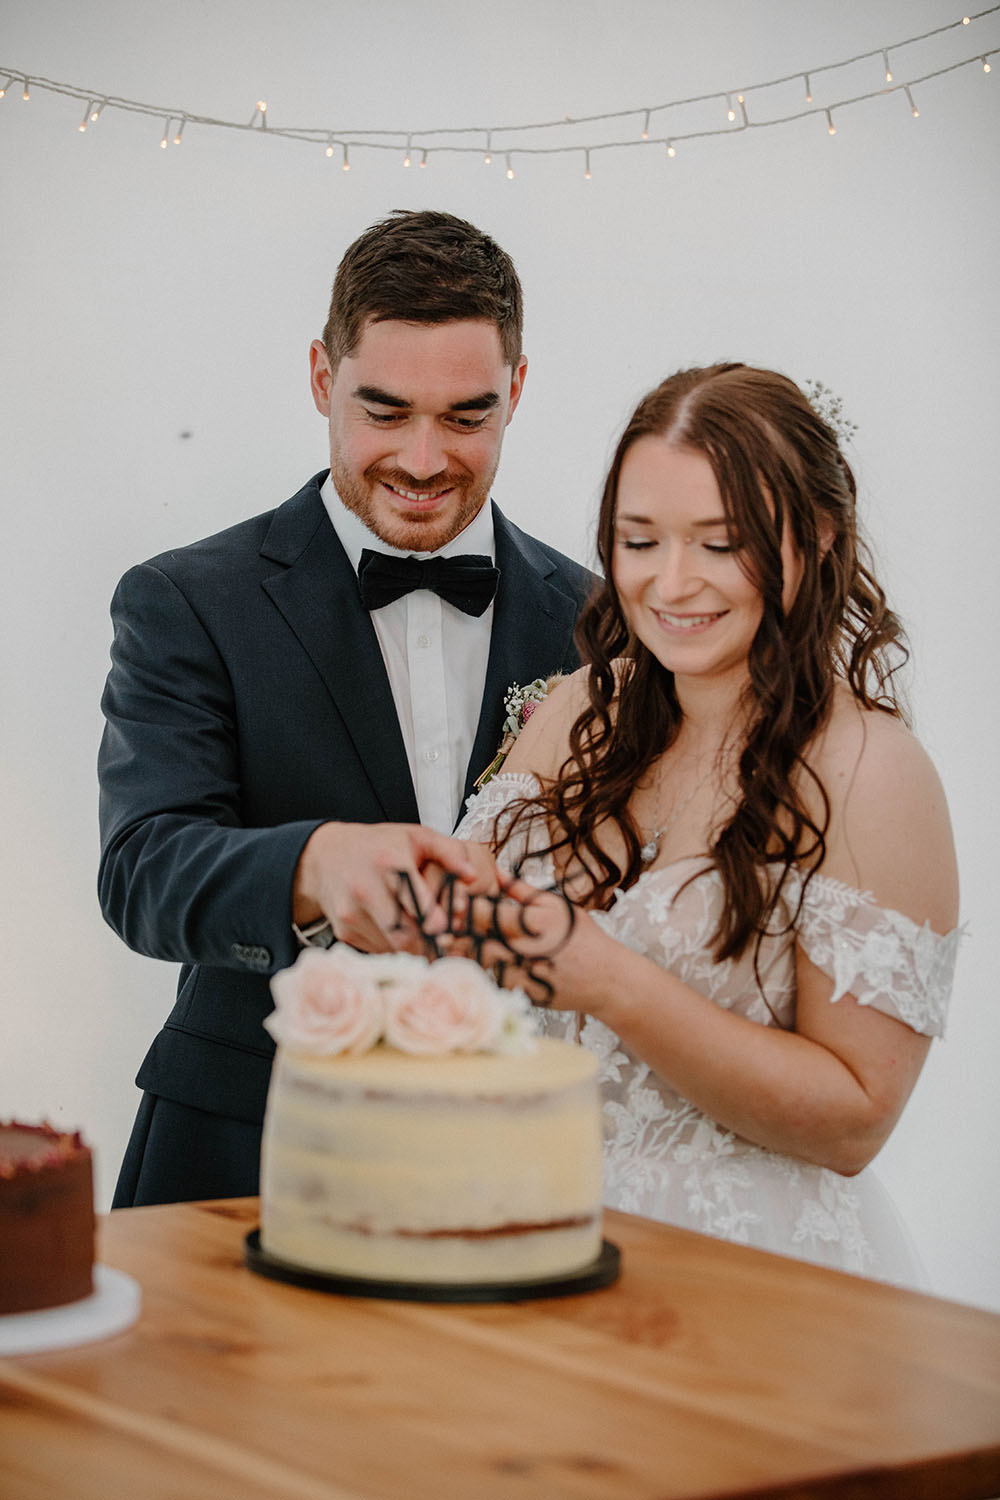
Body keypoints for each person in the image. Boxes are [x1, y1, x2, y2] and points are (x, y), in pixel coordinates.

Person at [99, 209, 596, 1207]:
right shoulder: (186, 598)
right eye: (383, 410)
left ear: (520, 390)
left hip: (518, 1161)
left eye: (466, 416)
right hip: (245, 1151)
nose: (421, 460)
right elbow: (142, 870)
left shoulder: (599, 624)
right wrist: (314, 865)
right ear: (322, 378)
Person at [454, 363, 961, 1284]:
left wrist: (613, 982)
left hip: (741, 1269)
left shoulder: (871, 773)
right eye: (639, 540)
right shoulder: (580, 708)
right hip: (517, 1228)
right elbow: (452, 927)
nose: (672, 582)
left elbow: (857, 1119)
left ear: (816, 538)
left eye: (721, 543)